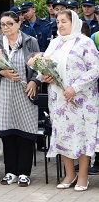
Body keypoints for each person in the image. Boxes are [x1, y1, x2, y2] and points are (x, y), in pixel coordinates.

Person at [44, 10, 99, 192]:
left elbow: (95, 69)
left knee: (82, 135)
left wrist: (75, 87)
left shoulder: (85, 42)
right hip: (59, 100)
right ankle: (69, 174)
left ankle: (83, 175)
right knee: (63, 135)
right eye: (58, 21)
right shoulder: (54, 44)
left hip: (82, 99)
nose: (60, 25)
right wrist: (46, 76)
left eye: (64, 21)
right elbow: (44, 68)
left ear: (74, 22)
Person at [0, 11, 41, 187]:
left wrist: (34, 81)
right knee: (7, 133)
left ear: (19, 24)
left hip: (25, 94)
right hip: (3, 93)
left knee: (25, 133)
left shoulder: (30, 41)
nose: (6, 28)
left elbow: (39, 66)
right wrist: (2, 72)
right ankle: (10, 172)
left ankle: (24, 173)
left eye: (9, 24)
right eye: (3, 24)